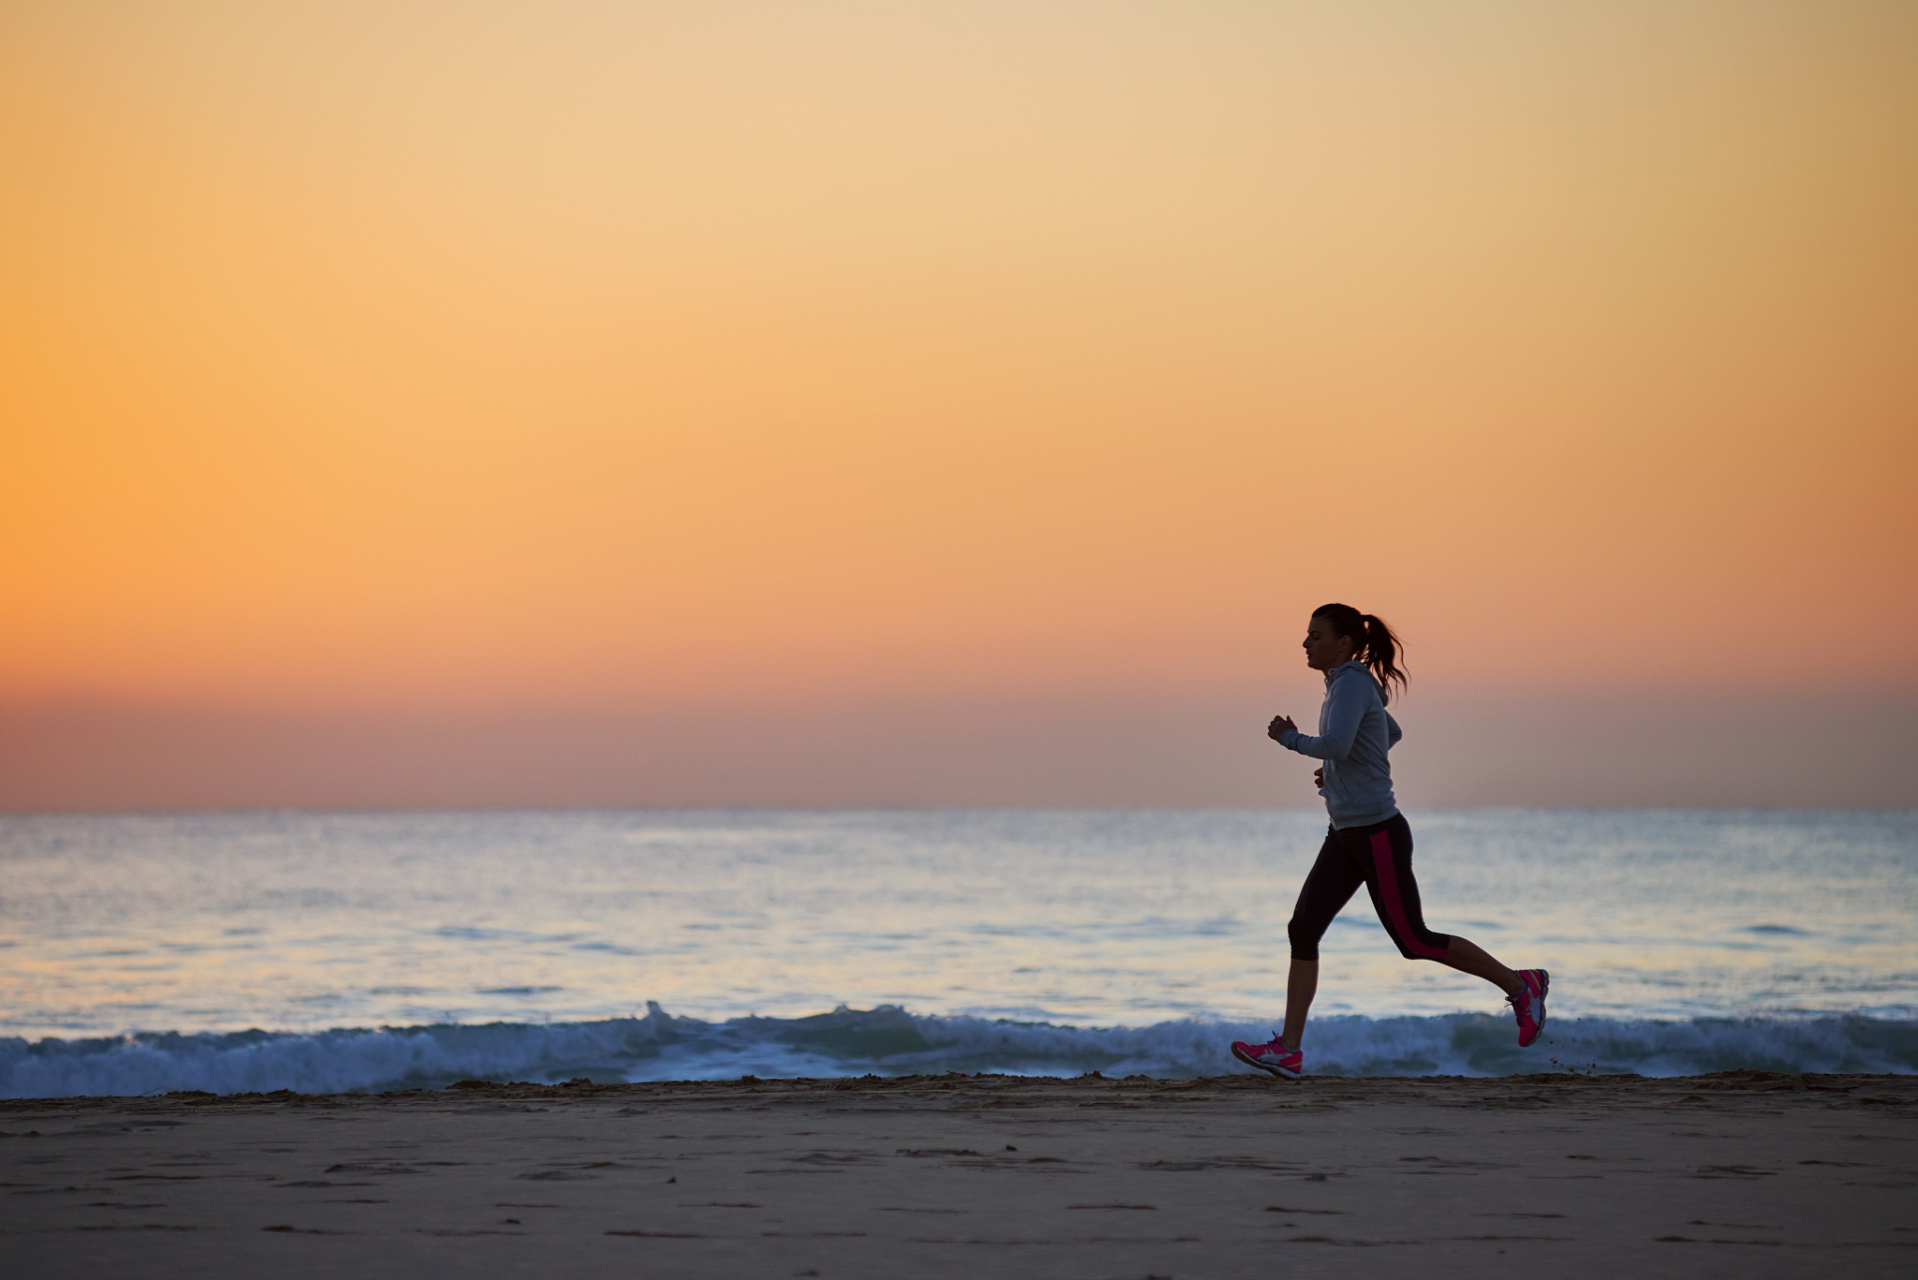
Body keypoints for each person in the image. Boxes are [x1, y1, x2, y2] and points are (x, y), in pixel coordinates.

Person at [1230, 603, 1548, 1079]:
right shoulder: (1347, 685)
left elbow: (1337, 744)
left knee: (1413, 940)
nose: (1306, 643)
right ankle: (1289, 1050)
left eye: (1316, 636)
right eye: (1307, 635)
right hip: (1344, 833)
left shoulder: (1353, 683)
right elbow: (1387, 732)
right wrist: (1343, 767)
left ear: (1342, 643)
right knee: (1303, 929)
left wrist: (1292, 738)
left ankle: (1520, 985)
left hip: (1377, 831)